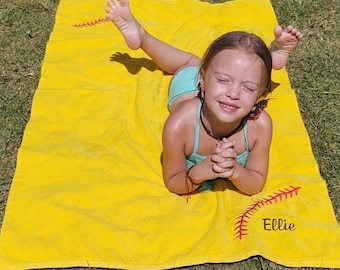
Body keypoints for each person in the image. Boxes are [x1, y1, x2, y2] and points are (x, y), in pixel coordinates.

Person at [105, 0, 302, 196]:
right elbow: (174, 182)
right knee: (188, 63)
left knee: (242, 68)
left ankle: (269, 56)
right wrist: (199, 173)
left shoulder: (260, 126)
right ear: (202, 79)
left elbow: (255, 183)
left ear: (261, 93)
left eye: (249, 88)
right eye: (223, 80)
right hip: (187, 89)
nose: (233, 94)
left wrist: (236, 171)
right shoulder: (179, 125)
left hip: (212, 86)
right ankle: (142, 36)